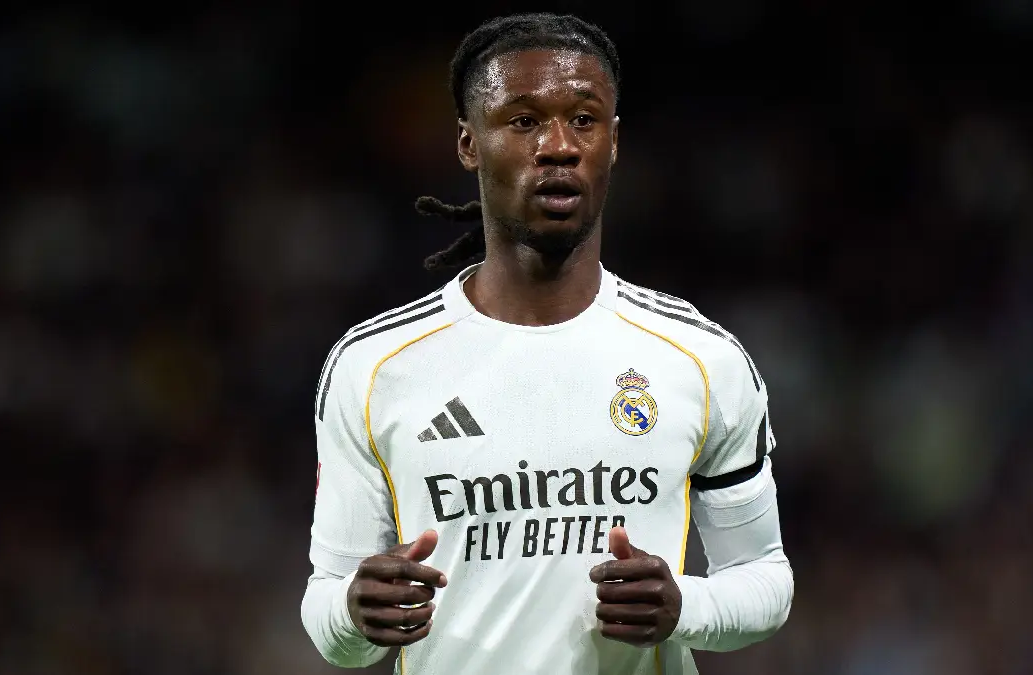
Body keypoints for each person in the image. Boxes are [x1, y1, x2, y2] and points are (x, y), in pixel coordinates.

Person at [300, 12, 793, 674]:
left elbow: (764, 575)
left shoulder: (701, 360)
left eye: (584, 120)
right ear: (468, 142)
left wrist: (687, 606)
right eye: (525, 120)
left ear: (613, 142)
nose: (559, 144)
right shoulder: (373, 368)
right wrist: (353, 616)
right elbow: (331, 610)